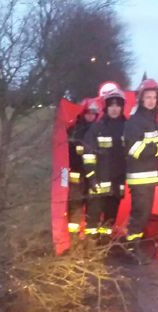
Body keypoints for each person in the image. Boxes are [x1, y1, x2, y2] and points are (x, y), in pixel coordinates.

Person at [123, 78, 158, 262]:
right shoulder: (136, 122)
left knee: (143, 214)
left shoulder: (152, 120)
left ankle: (133, 246)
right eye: (148, 97)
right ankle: (131, 249)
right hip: (140, 176)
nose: (151, 100)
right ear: (141, 99)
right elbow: (134, 149)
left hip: (149, 175)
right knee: (140, 214)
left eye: (154, 97)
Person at [81, 86, 128, 238]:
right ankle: (90, 244)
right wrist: (92, 177)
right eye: (111, 105)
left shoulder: (127, 127)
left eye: (118, 105)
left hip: (117, 181)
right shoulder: (97, 128)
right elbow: (88, 154)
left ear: (122, 107)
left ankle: (104, 243)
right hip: (99, 180)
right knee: (93, 213)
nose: (114, 109)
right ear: (106, 107)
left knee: (111, 215)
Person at [65, 97, 102, 234]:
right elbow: (66, 153)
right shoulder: (73, 130)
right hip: (76, 176)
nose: (90, 116)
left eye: (93, 113)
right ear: (82, 113)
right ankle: (73, 237)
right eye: (88, 113)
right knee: (75, 205)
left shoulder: (100, 130)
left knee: (93, 206)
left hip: (93, 176)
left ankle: (89, 240)